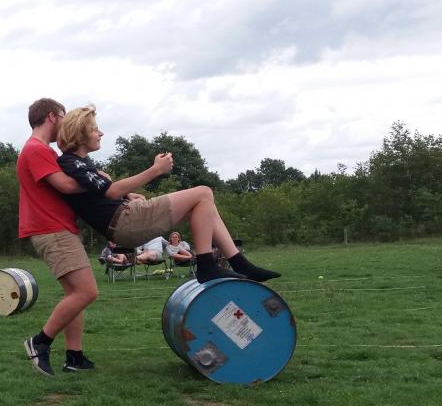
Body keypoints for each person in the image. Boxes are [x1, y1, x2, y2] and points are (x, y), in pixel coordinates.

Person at [55, 105, 280, 283]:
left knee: (204, 206)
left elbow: (98, 196)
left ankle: (239, 264)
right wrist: (155, 171)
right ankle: (207, 266)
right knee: (203, 193)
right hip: (125, 221)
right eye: (95, 128)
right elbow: (110, 190)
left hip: (125, 220)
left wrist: (128, 195)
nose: (100, 132)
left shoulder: (80, 162)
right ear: (81, 132)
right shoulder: (70, 162)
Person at [17, 98, 99, 376]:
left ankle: (74, 356)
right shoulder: (36, 149)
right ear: (53, 116)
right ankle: (39, 342)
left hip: (57, 228)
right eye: (64, 116)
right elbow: (65, 185)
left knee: (75, 294)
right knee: (87, 291)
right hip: (51, 230)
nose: (67, 122)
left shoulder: (45, 151)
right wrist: (102, 183)